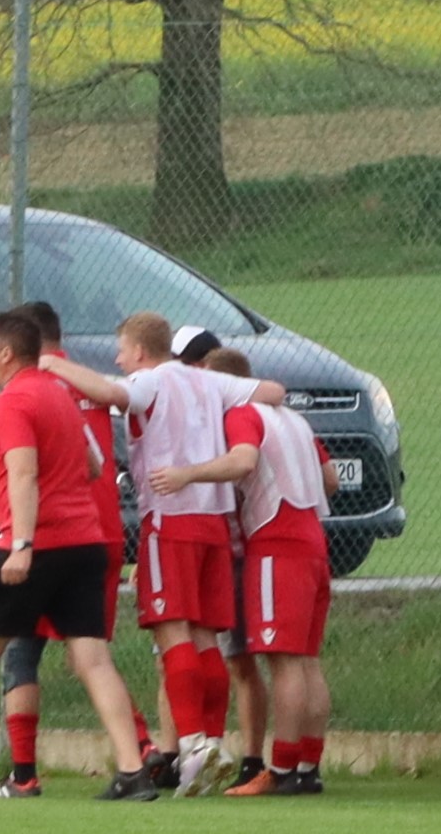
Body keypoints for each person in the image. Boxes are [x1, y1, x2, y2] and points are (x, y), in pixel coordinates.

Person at [0, 306, 156, 801]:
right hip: (85, 541)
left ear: (6, 353)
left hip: (37, 544)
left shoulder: (13, 401)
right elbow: (92, 466)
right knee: (92, 658)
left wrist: (21, 545)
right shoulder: (59, 394)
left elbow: (23, 474)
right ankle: (133, 770)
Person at [54, 312, 256, 795]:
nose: (119, 359)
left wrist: (51, 364)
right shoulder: (208, 381)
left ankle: (193, 746)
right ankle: (210, 742)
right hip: (214, 519)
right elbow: (270, 391)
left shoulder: (151, 380)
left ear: (140, 351)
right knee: (206, 637)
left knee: (172, 631)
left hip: (171, 517)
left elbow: (111, 392)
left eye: (122, 350)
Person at [213, 338, 336, 795]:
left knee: (283, 663)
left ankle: (281, 769)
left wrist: (190, 474)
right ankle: (308, 766)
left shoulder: (242, 414)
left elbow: (243, 461)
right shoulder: (295, 420)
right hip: (313, 541)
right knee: (306, 661)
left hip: (274, 543)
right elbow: (331, 480)